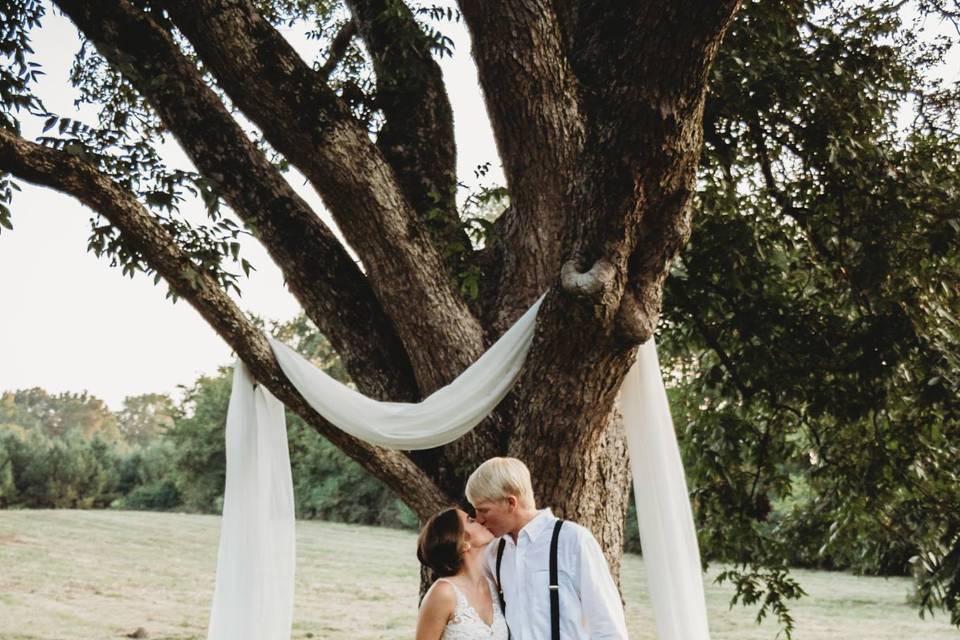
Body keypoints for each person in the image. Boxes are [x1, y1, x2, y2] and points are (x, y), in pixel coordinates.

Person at [466, 457, 629, 639]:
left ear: (511, 503)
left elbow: (608, 626)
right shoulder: (494, 553)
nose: (479, 519)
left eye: (484, 510)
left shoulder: (573, 540)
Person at [416, 507, 510, 640]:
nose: (480, 521)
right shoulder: (443, 593)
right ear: (463, 542)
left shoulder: (493, 584)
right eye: (471, 521)